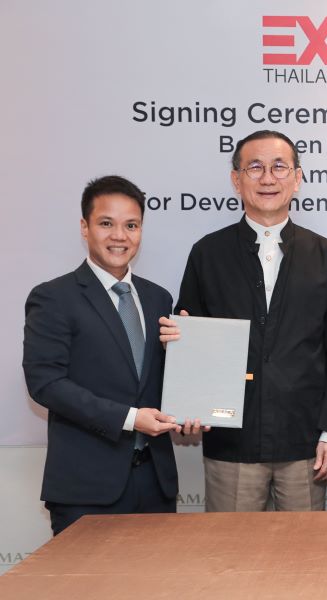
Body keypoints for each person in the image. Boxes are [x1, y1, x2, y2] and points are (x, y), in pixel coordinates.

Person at [160, 130, 327, 512]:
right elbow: (188, 340)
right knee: (229, 550)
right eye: (255, 168)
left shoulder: (326, 256)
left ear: (297, 179)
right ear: (236, 179)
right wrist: (187, 400)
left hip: (305, 444)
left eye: (279, 167)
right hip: (232, 444)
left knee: (303, 550)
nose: (268, 178)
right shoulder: (207, 254)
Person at [23, 175, 200, 535]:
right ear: (84, 227)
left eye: (131, 225)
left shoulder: (158, 299)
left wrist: (190, 408)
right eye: (106, 223)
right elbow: (46, 384)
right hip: (86, 489)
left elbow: (159, 381)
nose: (120, 236)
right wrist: (130, 418)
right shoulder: (54, 297)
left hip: (156, 484)